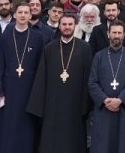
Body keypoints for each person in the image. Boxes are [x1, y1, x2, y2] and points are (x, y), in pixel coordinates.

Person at [27, 14, 93, 153]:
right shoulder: (49, 48)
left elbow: (88, 77)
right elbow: (41, 78)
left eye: (70, 24)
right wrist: (40, 106)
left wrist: (85, 105)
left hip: (75, 104)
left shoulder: (84, 48)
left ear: (75, 26)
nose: (67, 27)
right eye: (64, 24)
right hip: (52, 104)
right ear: (59, 26)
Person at [0, 2, 44, 153]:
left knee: (25, 128)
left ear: (30, 15)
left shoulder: (37, 38)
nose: (23, 15)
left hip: (28, 91)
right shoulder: (6, 36)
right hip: (8, 89)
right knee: (6, 127)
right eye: (20, 12)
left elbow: (40, 68)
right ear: (15, 15)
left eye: (26, 12)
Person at [89, 22, 125, 153]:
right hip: (103, 110)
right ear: (108, 34)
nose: (116, 36)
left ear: (123, 35)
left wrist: (120, 100)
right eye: (114, 32)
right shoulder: (99, 56)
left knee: (122, 144)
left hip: (123, 109)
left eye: (119, 33)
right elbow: (92, 82)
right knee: (102, 144)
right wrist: (105, 100)